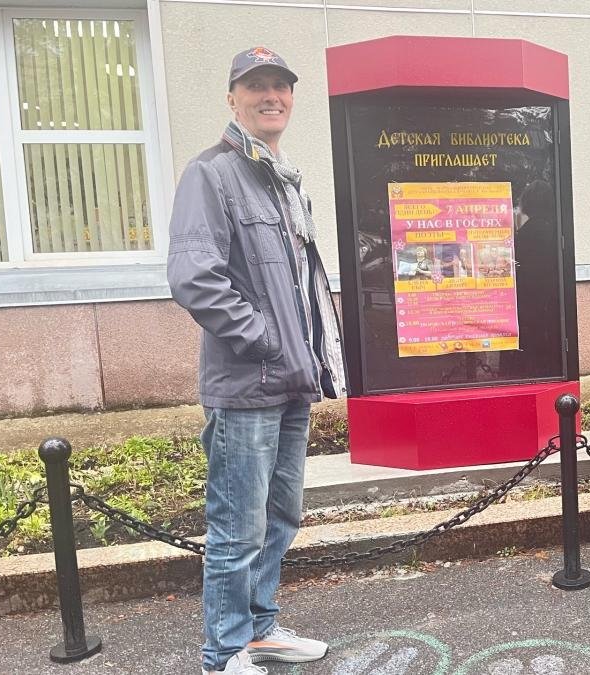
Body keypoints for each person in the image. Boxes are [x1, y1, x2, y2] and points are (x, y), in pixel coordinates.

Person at [167, 46, 346, 674]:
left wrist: (309, 353)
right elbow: (195, 278)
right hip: (247, 382)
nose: (271, 96)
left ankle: (260, 630)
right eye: (256, 86)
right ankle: (223, 653)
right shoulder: (212, 174)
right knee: (237, 527)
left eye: (280, 85)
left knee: (279, 516)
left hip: (293, 378)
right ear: (233, 98)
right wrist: (265, 338)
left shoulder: (281, 178)